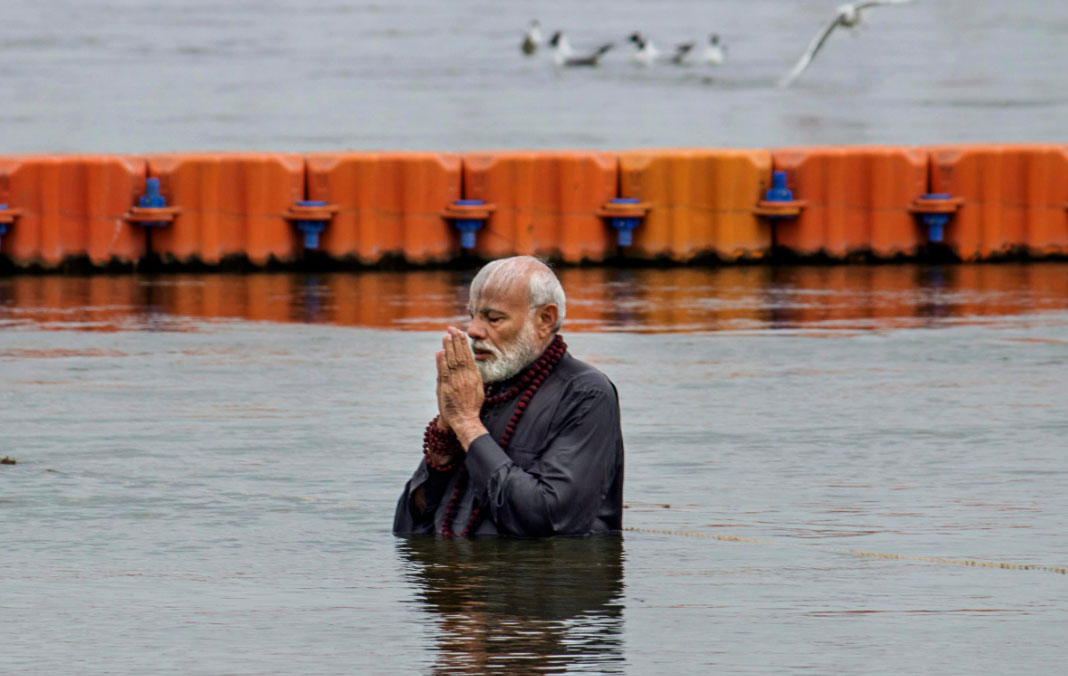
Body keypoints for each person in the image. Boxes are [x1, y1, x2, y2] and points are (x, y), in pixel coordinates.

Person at [392, 256, 624, 537]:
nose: (473, 331)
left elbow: (551, 521)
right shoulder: (483, 390)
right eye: (472, 315)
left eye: (493, 318)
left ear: (544, 320)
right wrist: (446, 431)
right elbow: (407, 529)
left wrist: (467, 424)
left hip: (542, 578)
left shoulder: (587, 394)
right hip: (458, 574)